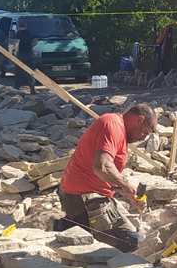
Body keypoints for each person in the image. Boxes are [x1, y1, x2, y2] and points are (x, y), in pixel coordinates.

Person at [57, 104, 156, 252]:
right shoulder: (112, 125)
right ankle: (70, 226)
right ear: (140, 120)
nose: (143, 138)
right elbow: (102, 167)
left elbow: (106, 175)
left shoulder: (117, 128)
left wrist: (129, 193)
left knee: (130, 228)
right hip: (82, 199)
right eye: (145, 132)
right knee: (132, 241)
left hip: (82, 196)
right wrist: (125, 183)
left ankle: (71, 225)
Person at [14, 21, 36, 94]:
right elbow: (36, 42)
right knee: (30, 71)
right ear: (25, 26)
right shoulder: (30, 33)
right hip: (29, 54)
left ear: (19, 26)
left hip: (21, 53)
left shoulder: (18, 33)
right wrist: (30, 47)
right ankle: (32, 89)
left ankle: (17, 88)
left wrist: (14, 49)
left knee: (19, 71)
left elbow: (17, 42)